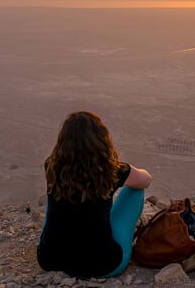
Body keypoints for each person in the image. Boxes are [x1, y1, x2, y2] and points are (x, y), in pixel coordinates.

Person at [37, 111, 152, 278]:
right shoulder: (111, 170)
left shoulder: (52, 166)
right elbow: (145, 180)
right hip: (102, 265)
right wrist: (125, 169)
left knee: (57, 195)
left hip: (50, 260)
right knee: (135, 192)